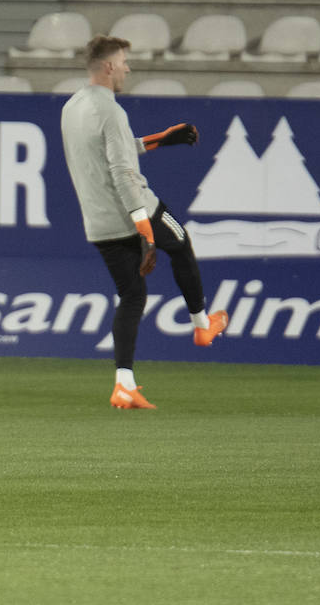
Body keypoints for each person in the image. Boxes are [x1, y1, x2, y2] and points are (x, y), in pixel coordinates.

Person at [60, 35, 228, 410]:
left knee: (132, 297)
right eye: (123, 62)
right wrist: (146, 233)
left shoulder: (72, 108)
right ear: (108, 67)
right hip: (136, 209)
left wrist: (159, 140)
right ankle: (202, 327)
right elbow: (121, 170)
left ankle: (124, 384)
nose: (127, 68)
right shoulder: (111, 111)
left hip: (99, 221)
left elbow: (108, 151)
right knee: (181, 243)